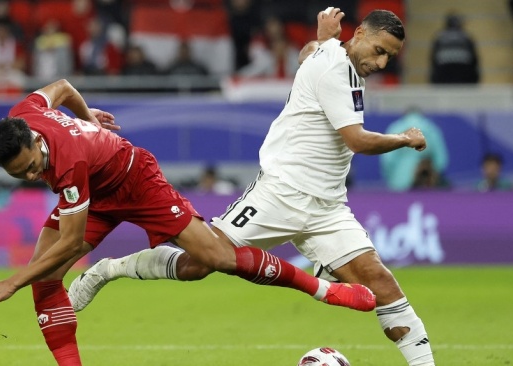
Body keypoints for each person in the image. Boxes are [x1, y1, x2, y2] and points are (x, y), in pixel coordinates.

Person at [70, 9, 436, 366]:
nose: (383, 63)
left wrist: (324, 39)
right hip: (278, 194)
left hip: (328, 209)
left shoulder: (333, 53)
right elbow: (357, 140)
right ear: (359, 35)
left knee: (382, 286)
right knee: (198, 264)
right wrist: (405, 138)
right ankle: (107, 270)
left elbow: (308, 52)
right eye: (379, 51)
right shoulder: (333, 68)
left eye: (390, 56)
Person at [0, 78, 376, 365]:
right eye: (19, 175)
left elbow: (70, 243)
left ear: (34, 141)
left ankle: (325, 290)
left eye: (31, 166)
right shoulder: (24, 113)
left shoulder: (67, 162)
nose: (30, 176)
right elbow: (61, 87)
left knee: (217, 258)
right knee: (45, 281)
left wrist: (12, 281)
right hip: (94, 193)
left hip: (134, 179)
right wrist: (88, 117)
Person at [380, 107, 449, 191]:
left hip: (399, 180)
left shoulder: (395, 128)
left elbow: (387, 159)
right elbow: (441, 158)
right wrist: (436, 175)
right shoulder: (431, 128)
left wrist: (390, 178)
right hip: (427, 183)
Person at [430, 12, 480, 84]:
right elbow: (475, 62)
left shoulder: (439, 38)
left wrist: (433, 81)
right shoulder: (467, 38)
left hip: (442, 81)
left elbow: (433, 62)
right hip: (464, 81)